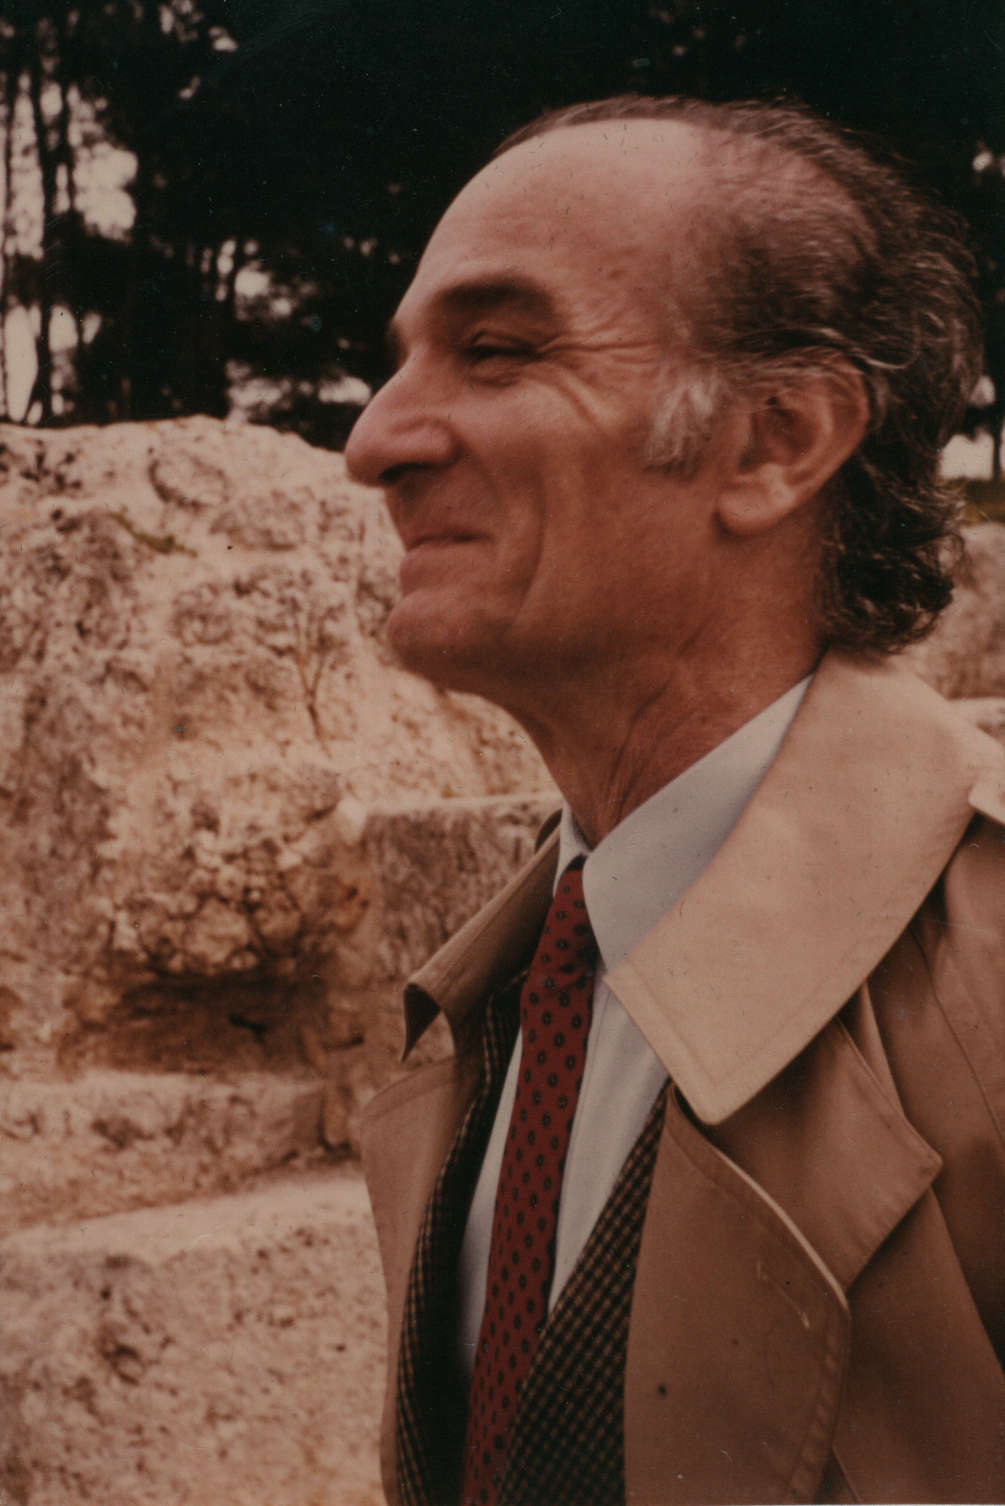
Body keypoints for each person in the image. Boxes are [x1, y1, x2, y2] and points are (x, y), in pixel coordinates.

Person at [344, 95, 1005, 1506]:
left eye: (496, 351)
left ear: (775, 441)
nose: (376, 441)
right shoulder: (510, 983)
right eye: (399, 362)